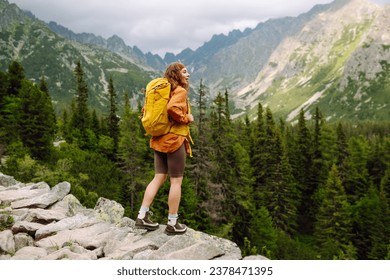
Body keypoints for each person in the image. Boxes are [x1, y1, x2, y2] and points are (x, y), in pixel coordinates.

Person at [135, 62, 194, 235]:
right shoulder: (180, 91)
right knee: (176, 181)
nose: (188, 74)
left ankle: (142, 216)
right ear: (177, 74)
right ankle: (172, 223)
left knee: (158, 177)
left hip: (159, 139)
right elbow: (171, 109)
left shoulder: (162, 90)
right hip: (174, 140)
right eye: (184, 72)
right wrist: (186, 118)